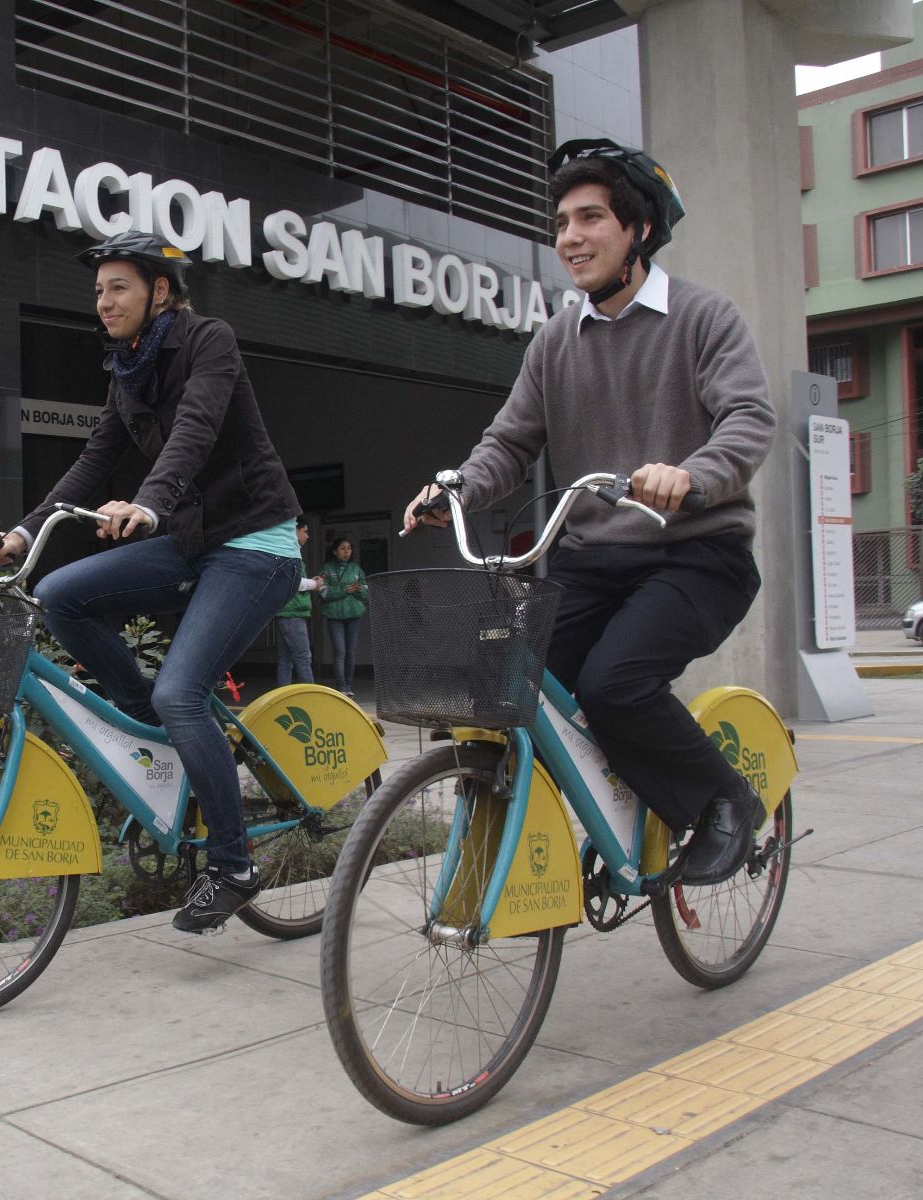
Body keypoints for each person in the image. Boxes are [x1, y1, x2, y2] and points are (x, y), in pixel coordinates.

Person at [404, 139, 777, 887]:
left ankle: (725, 804)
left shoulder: (704, 317)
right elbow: (508, 441)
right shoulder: (555, 341)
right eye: (562, 221)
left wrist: (692, 474)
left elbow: (747, 418)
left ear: (638, 230)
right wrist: (459, 490)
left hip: (696, 553)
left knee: (613, 685)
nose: (569, 236)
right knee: (507, 686)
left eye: (591, 217)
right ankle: (613, 816)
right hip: (593, 558)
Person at [0, 230, 303, 934]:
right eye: (98, 290)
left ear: (160, 290)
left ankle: (234, 865)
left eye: (119, 287)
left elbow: (195, 429)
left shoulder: (209, 341)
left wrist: (149, 502)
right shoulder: (127, 371)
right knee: (60, 595)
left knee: (181, 688)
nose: (103, 301)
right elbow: (92, 460)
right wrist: (23, 531)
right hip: (193, 544)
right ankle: (155, 731)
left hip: (257, 544)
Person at [273, 517, 321, 687]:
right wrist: (314, 584)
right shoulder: (291, 553)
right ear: (295, 530)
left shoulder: (282, 551)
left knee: (286, 660)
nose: (307, 536)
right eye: (305, 531)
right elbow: (294, 582)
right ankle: (311, 699)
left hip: (284, 612)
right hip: (293, 613)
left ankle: (282, 697)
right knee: (303, 657)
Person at [320, 538, 368, 696]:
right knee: (340, 651)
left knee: (351, 652)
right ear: (335, 551)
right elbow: (323, 591)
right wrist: (344, 590)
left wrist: (358, 589)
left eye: (349, 548)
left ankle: (349, 685)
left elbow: (366, 593)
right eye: (342, 548)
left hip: (354, 614)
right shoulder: (327, 568)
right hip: (334, 615)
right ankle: (341, 686)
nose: (346, 552)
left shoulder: (356, 569)